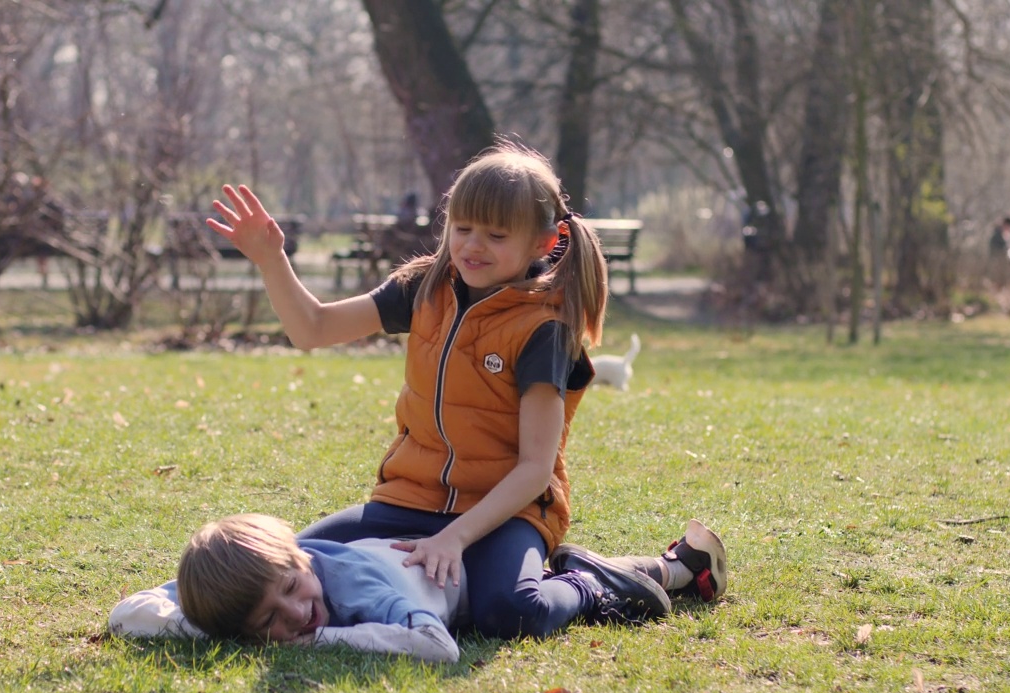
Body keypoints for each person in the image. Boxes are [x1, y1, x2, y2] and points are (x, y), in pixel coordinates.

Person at [204, 140, 726, 640]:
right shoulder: (422, 288)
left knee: (511, 611)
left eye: (497, 236)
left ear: (543, 243)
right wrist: (272, 260)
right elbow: (312, 328)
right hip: (404, 500)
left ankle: (596, 582)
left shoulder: (545, 330)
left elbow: (535, 470)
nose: (473, 246)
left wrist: (454, 538)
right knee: (294, 562)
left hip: (505, 513)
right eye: (463, 227)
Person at [109, 514, 720, 663]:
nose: (300, 611)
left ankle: (593, 578)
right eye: (271, 618)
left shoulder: (353, 585)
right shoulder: (247, 587)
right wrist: (207, 620)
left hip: (472, 557)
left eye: (294, 587)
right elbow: (127, 614)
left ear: (300, 558)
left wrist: (320, 642)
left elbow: (438, 647)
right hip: (427, 533)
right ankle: (680, 562)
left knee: (516, 609)